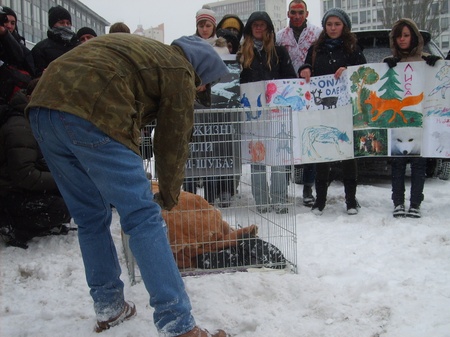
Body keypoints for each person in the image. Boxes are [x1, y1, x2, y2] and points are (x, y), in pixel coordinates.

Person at [26, 33, 229, 337]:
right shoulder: (180, 70)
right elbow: (172, 141)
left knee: (90, 217)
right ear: (199, 73)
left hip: (43, 109)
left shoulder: (140, 49)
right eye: (202, 85)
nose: (199, 90)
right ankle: (178, 324)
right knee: (144, 218)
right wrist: (169, 196)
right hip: (92, 111)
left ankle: (109, 307)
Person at [298, 8, 366, 215]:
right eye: (329, 24)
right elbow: (306, 65)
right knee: (323, 155)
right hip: (322, 110)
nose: (333, 28)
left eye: (337, 24)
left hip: (345, 110)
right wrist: (305, 69)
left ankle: (351, 200)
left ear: (344, 26)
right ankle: (320, 200)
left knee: (347, 155)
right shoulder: (316, 47)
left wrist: (348, 70)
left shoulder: (352, 47)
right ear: (324, 26)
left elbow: (363, 70)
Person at [0, 79, 71, 248]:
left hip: (16, 190)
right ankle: (14, 227)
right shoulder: (19, 127)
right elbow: (24, 175)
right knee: (64, 206)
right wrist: (63, 178)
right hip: (10, 195)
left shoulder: (28, 120)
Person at [238, 11, 297, 214]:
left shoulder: (280, 53)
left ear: (269, 29)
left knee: (279, 156)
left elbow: (291, 79)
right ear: (250, 29)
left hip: (276, 114)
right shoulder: (242, 54)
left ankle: (280, 199)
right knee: (258, 158)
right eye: (255, 25)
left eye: (263, 25)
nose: (259, 28)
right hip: (252, 115)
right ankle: (261, 201)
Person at [383, 18, 441, 219]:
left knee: (419, 166)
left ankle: (415, 203)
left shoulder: (427, 61)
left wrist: (436, 64)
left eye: (406, 35)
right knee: (397, 166)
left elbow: (441, 84)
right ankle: (398, 202)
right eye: (398, 36)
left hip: (422, 124)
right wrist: (386, 65)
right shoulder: (389, 63)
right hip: (398, 125)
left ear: (414, 37)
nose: (402, 39)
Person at [276, 0, 322, 208]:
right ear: (288, 13)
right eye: (293, 12)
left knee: (308, 143)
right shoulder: (280, 37)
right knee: (286, 143)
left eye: (300, 12)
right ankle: (283, 187)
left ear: (306, 13)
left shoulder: (317, 33)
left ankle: (307, 188)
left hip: (310, 92)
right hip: (287, 94)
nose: (296, 16)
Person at [31, 5, 79, 77]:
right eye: (61, 23)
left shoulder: (78, 46)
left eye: (68, 23)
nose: (66, 26)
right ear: (52, 25)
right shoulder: (41, 48)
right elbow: (34, 74)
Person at [0, 6, 34, 104]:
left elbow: (19, 58)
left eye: (13, 23)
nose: (9, 26)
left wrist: (5, 34)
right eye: (5, 21)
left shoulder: (22, 48)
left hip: (12, 100)